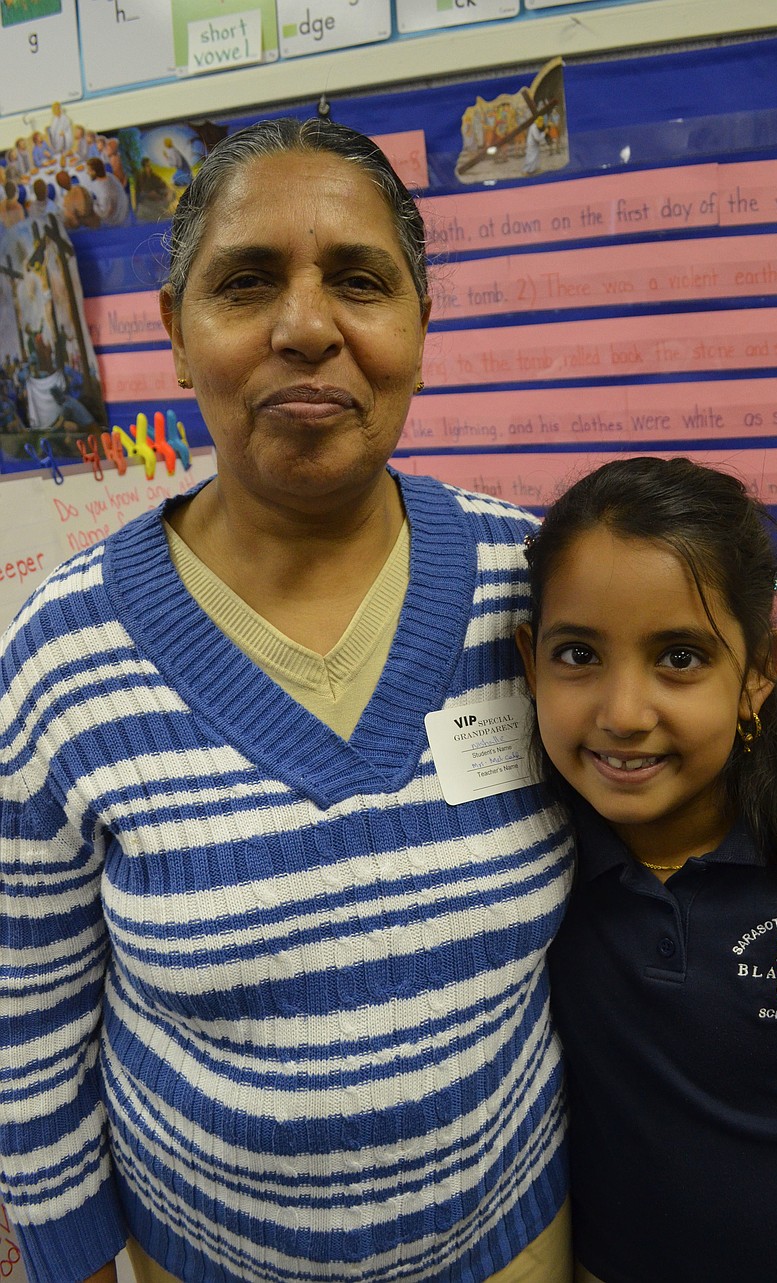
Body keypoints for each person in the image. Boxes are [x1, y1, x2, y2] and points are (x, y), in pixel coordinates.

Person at [0, 117, 572, 1283]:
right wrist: (74, 1260)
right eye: (247, 281)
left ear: (420, 325)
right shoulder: (58, 655)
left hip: (515, 1234)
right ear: (176, 332)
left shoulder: (541, 591)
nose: (307, 327)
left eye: (359, 281)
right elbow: (29, 1016)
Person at [515, 455, 777, 1283]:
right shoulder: (527, 866)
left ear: (759, 673)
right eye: (578, 653)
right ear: (530, 662)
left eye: (679, 657)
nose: (624, 714)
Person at [86, 156, 130, 226]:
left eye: (89, 170)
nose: (87, 173)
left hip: (114, 221)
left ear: (94, 172)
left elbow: (104, 214)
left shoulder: (103, 190)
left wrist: (91, 204)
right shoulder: (109, 176)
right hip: (122, 213)